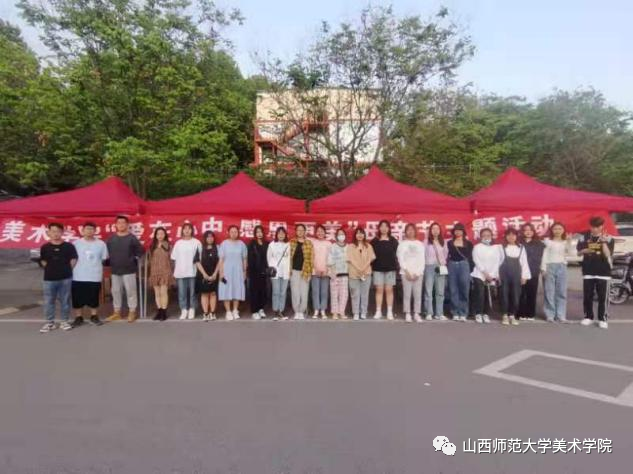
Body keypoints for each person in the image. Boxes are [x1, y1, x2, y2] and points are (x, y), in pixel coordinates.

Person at [39, 223, 78, 332]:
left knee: (65, 300)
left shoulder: (69, 246)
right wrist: (51, 269)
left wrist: (66, 269)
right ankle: (49, 323)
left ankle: (64, 321)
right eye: (53, 231)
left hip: (65, 278)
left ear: (62, 232)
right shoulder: (44, 247)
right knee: (49, 301)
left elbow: (73, 259)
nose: (55, 234)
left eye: (58, 231)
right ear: (48, 233)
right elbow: (43, 261)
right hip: (49, 279)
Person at [577, 216, 614, 329]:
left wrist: (603, 242)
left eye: (598, 227)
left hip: (604, 271)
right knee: (587, 296)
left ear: (602, 226)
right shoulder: (584, 237)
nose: (595, 229)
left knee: (603, 297)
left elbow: (608, 254)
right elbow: (578, 253)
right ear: (590, 226)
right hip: (588, 270)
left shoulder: (608, 238)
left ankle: (603, 319)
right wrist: (585, 250)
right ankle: (588, 317)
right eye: (593, 227)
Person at [106, 215, 144, 323]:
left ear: (127, 225)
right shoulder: (111, 239)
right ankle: (117, 312)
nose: (121, 225)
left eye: (123, 223)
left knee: (131, 291)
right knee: (116, 291)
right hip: (115, 270)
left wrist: (133, 260)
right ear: (116, 225)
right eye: (119, 223)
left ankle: (132, 312)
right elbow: (106, 253)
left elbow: (140, 251)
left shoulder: (132, 238)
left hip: (129, 270)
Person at [71, 222, 108, 328]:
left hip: (94, 275)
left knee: (94, 297)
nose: (89, 231)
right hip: (78, 275)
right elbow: (72, 259)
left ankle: (94, 316)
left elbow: (104, 258)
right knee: (77, 298)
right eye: (87, 229)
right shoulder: (76, 243)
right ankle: (79, 317)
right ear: (82, 231)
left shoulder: (101, 244)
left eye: (91, 229)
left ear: (95, 231)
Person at [541, 222, 574, 323]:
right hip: (549, 266)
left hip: (562, 266)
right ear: (552, 230)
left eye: (560, 229)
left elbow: (571, 253)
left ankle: (561, 315)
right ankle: (550, 315)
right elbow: (544, 255)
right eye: (555, 229)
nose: (557, 231)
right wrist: (543, 269)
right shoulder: (547, 241)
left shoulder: (566, 242)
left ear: (563, 230)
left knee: (561, 292)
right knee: (549, 292)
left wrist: (569, 242)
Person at [498, 228, 531, 326]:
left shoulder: (521, 247)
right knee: (504, 294)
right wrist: (497, 275)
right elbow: (497, 262)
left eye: (513, 235)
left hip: (517, 274)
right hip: (504, 274)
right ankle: (504, 315)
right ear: (505, 236)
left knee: (516, 295)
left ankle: (512, 315)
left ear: (517, 236)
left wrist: (524, 276)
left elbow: (524, 262)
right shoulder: (501, 247)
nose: (511, 237)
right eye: (509, 235)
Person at [171, 223, 202, 320]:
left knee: (192, 292)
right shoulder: (178, 243)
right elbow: (174, 258)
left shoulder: (197, 242)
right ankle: (184, 309)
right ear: (182, 231)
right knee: (182, 293)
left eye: (189, 229)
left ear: (192, 230)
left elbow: (199, 258)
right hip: (180, 272)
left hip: (192, 271)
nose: (187, 230)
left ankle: (192, 309)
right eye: (185, 229)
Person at [371, 220, 399, 320]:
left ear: (389, 228)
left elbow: (397, 254)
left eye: (386, 226)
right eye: (382, 226)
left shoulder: (393, 240)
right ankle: (378, 311)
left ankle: (389, 311)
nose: (384, 228)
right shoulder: (374, 241)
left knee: (389, 290)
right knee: (379, 290)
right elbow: (371, 255)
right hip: (377, 269)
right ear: (379, 228)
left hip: (390, 269)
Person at [397, 223, 425, 323]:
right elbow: (400, 259)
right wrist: (406, 271)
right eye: (408, 229)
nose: (410, 231)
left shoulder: (420, 244)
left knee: (417, 294)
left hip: (418, 273)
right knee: (407, 294)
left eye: (412, 229)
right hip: (405, 273)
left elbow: (422, 260)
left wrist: (418, 272)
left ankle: (417, 313)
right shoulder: (402, 244)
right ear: (405, 232)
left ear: (415, 231)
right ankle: (407, 313)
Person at [218, 225, 248, 320]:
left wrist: (244, 271)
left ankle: (235, 310)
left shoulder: (241, 244)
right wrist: (221, 273)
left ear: (238, 233)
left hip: (238, 271)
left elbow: (244, 259)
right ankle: (228, 311)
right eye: (232, 232)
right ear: (228, 233)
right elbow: (221, 260)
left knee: (237, 290)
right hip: (226, 271)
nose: (234, 233)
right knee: (226, 290)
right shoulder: (224, 244)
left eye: (235, 232)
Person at [471, 228, 500, 324]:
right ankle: (478, 313)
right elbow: (476, 260)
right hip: (479, 274)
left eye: (488, 235)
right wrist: (485, 273)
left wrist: (493, 274)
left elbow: (498, 262)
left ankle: (486, 314)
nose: (486, 237)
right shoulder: (477, 247)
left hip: (491, 275)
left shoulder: (496, 248)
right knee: (480, 294)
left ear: (491, 236)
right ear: (480, 237)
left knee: (488, 295)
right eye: (484, 235)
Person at [517, 223, 546, 321]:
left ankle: (530, 314)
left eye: (530, 230)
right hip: (520, 272)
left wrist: (542, 269)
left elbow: (543, 257)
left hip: (533, 271)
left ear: (533, 231)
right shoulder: (518, 243)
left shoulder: (539, 244)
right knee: (521, 293)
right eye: (526, 230)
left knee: (532, 293)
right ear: (522, 232)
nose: (528, 232)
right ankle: (521, 313)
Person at [446, 223, 473, 322]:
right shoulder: (449, 243)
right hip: (452, 265)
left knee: (464, 289)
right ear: (453, 232)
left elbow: (470, 257)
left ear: (463, 232)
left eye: (460, 230)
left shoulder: (468, 243)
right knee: (453, 289)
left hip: (464, 265)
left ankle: (463, 312)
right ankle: (454, 312)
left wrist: (471, 270)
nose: (457, 232)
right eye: (456, 230)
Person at [347, 227, 376, 320]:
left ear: (364, 235)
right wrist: (358, 268)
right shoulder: (350, 246)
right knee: (355, 294)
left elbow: (371, 259)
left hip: (366, 273)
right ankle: (355, 312)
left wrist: (363, 268)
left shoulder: (368, 246)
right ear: (355, 235)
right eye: (358, 233)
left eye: (361, 233)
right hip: (354, 273)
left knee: (365, 294)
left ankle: (363, 312)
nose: (359, 235)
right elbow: (350, 259)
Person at [424, 222, 449, 321]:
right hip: (429, 267)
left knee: (440, 291)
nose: (435, 230)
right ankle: (428, 313)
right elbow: (423, 254)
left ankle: (439, 313)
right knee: (428, 291)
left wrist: (441, 264)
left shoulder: (443, 242)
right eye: (433, 228)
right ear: (430, 231)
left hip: (440, 267)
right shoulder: (426, 241)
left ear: (440, 231)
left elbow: (445, 254)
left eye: (437, 229)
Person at [289, 224, 314, 320]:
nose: (300, 232)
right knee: (295, 292)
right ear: (296, 231)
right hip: (294, 271)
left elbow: (311, 258)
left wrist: (310, 271)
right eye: (298, 230)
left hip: (305, 271)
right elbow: (288, 258)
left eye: (302, 230)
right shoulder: (291, 242)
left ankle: (302, 311)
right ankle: (296, 311)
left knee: (304, 292)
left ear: (304, 232)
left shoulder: (309, 243)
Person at [148, 227, 173, 321]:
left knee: (163, 292)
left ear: (165, 235)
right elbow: (150, 259)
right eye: (158, 234)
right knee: (157, 293)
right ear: (155, 235)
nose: (160, 236)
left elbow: (171, 258)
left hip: (165, 271)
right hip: (154, 271)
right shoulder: (152, 246)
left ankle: (164, 312)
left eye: (162, 233)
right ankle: (159, 311)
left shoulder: (168, 245)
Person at [195, 231, 220, 321]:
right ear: (205, 238)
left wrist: (215, 273)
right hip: (203, 274)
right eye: (208, 237)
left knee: (213, 293)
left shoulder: (217, 247)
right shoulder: (200, 248)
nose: (210, 239)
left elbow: (220, 261)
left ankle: (212, 313)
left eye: (211, 237)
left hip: (214, 274)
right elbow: (197, 262)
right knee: (204, 294)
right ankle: (205, 313)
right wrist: (204, 274)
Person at [267, 226, 291, 320]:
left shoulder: (288, 245)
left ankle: (281, 310)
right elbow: (269, 258)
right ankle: (276, 311)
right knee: (276, 292)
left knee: (283, 292)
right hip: (275, 272)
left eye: (283, 233)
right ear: (276, 234)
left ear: (285, 235)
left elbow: (290, 258)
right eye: (279, 233)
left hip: (285, 271)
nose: (281, 235)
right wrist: (272, 268)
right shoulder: (272, 245)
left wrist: (289, 270)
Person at [247, 225, 269, 320]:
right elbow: (250, 259)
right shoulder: (252, 243)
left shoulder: (266, 243)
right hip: (254, 272)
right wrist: (251, 271)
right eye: (257, 232)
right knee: (254, 292)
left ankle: (261, 309)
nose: (259, 234)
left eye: (261, 232)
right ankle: (254, 311)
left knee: (263, 291)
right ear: (255, 233)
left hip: (264, 272)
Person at [310, 225, 332, 319]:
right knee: (315, 291)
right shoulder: (312, 242)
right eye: (318, 231)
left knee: (324, 292)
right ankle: (316, 310)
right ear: (316, 233)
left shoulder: (329, 243)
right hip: (315, 271)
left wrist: (326, 269)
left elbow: (330, 258)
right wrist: (315, 268)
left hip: (325, 271)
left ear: (325, 232)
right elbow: (311, 257)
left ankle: (323, 310)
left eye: (322, 231)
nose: (320, 233)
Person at [328, 228, 350, 320]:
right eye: (339, 234)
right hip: (335, 274)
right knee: (334, 294)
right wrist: (332, 272)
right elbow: (330, 259)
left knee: (344, 294)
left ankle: (342, 312)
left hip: (345, 273)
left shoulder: (348, 247)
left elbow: (350, 259)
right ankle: (335, 313)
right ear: (336, 236)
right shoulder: (333, 246)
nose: (341, 236)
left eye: (342, 234)